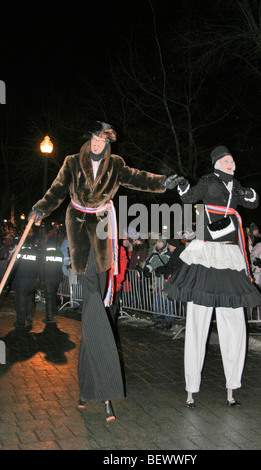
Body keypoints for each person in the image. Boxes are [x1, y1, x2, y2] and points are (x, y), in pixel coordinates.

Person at [28, 121, 180, 421]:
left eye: (102, 139)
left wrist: (164, 183)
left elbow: (139, 178)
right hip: (78, 228)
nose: (97, 143)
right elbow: (57, 190)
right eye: (94, 138)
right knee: (95, 303)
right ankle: (105, 389)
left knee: (93, 308)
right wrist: (40, 209)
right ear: (89, 140)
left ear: (109, 143)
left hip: (102, 229)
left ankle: (85, 388)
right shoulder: (72, 162)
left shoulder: (117, 164)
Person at [163, 145, 261, 408]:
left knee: (234, 323)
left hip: (229, 255)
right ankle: (191, 387)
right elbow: (188, 198)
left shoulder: (236, 185)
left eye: (233, 160)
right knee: (198, 321)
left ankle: (232, 387)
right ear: (217, 162)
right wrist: (183, 184)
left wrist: (248, 192)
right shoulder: (208, 181)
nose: (232, 163)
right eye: (228, 160)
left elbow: (253, 202)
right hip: (206, 255)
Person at [152, 238, 185, 329]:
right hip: (170, 281)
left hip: (174, 283)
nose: (168, 246)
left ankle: (169, 320)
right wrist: (162, 269)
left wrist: (165, 270)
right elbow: (169, 266)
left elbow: (176, 268)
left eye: (170, 244)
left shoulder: (179, 254)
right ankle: (162, 319)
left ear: (173, 245)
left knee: (169, 301)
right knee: (163, 299)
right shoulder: (175, 254)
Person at [11, 241, 39, 329]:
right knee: (29, 300)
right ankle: (29, 317)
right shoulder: (35, 253)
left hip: (20, 282)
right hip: (31, 282)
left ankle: (21, 322)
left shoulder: (17, 253)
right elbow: (39, 267)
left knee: (20, 302)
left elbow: (10, 267)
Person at [38, 238, 64, 324]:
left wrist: (41, 279)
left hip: (47, 278)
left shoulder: (44, 253)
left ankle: (49, 317)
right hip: (56, 278)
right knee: (53, 295)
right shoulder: (59, 253)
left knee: (48, 297)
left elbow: (41, 268)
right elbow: (60, 266)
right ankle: (54, 312)